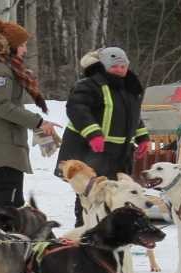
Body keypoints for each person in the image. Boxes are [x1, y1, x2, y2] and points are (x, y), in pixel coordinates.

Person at [0, 17, 59, 211]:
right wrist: (38, 122)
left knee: (13, 201)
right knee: (3, 202)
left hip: (2, 140)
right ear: (9, 46)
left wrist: (37, 123)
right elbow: (2, 106)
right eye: (23, 45)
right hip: (1, 143)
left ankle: (1, 239)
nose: (25, 50)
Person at [56, 47, 151, 227]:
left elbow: (132, 117)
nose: (120, 70)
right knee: (91, 193)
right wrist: (93, 134)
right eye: (115, 66)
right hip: (91, 150)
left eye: (123, 66)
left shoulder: (130, 87)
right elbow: (77, 109)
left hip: (119, 152)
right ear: (104, 66)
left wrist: (142, 138)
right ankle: (86, 230)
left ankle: (112, 231)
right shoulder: (89, 85)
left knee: (118, 194)